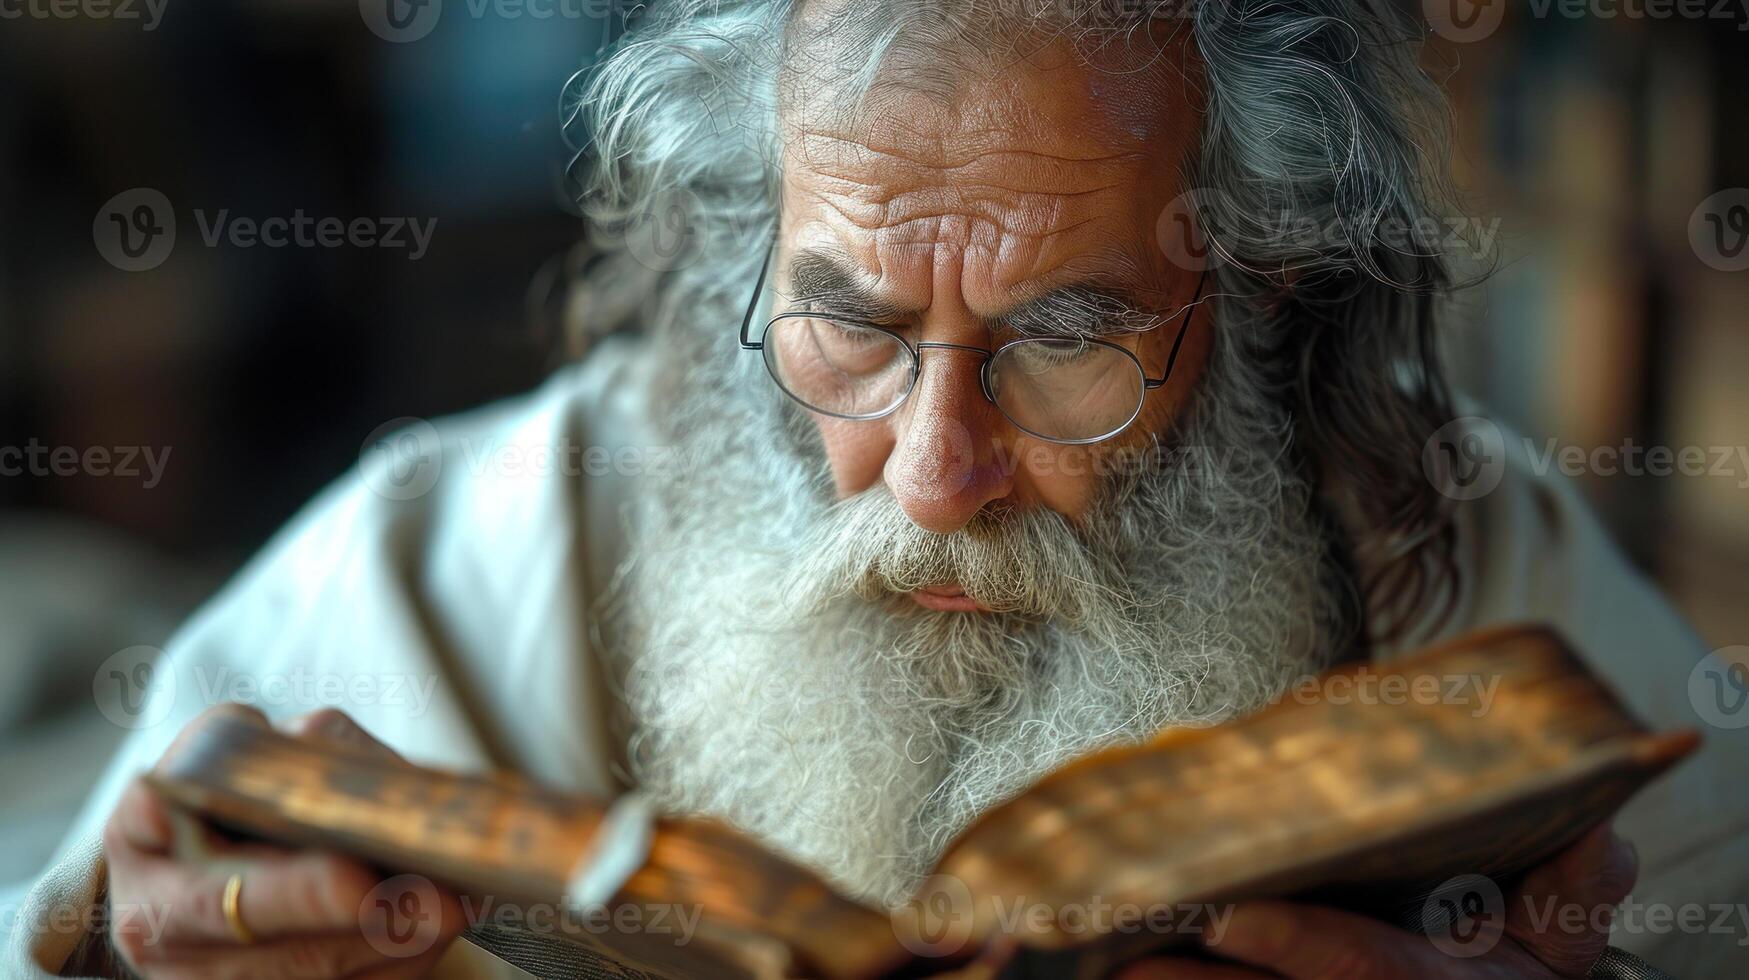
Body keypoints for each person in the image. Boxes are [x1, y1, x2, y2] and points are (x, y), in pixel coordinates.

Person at [8, 0, 1746, 976]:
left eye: (1065, 341)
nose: (933, 476)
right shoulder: (451, 549)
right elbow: (88, 913)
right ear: (739, 263)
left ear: (1266, 286)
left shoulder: (1458, 548)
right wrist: (139, 944)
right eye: (842, 328)